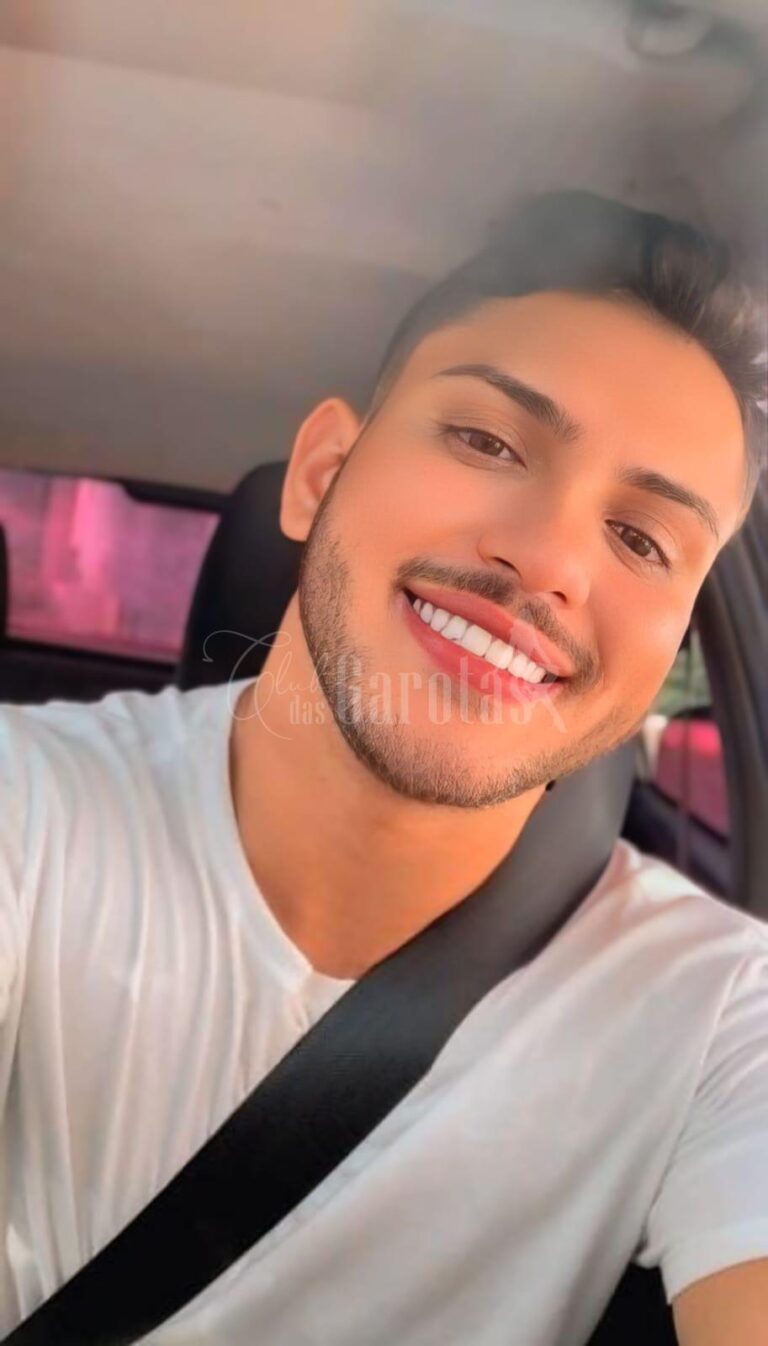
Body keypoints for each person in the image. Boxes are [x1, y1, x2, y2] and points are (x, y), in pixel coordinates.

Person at [1, 192, 766, 1346]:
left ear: (669, 651)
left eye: (643, 539)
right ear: (321, 471)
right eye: (488, 441)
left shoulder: (720, 1017)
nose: (548, 557)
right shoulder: (29, 808)